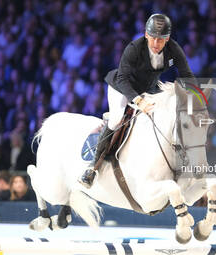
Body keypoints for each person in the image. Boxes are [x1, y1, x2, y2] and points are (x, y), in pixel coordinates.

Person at [79, 13, 196, 188]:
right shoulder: (134, 48)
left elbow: (187, 75)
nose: (156, 44)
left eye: (161, 39)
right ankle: (93, 167)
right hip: (121, 88)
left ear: (168, 38)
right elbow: (122, 79)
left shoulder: (174, 50)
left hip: (147, 89)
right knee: (118, 119)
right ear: (146, 34)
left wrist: (196, 98)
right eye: (153, 38)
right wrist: (138, 101)